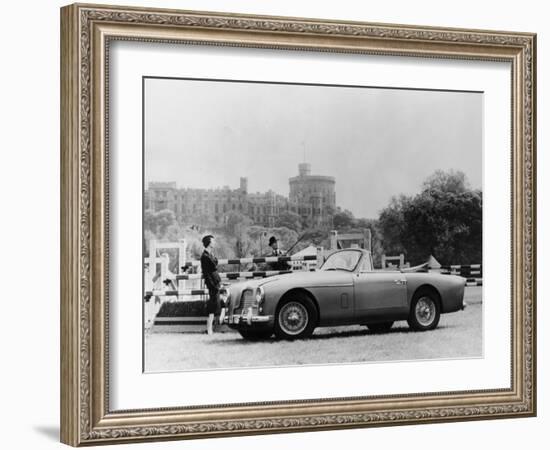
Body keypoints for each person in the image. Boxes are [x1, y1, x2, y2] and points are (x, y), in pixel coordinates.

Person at [200, 234, 222, 335]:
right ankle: (209, 329)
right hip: (212, 283)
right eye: (213, 241)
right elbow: (206, 273)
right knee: (213, 306)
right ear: (209, 243)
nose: (214, 242)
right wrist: (212, 284)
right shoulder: (205, 256)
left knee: (216, 305)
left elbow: (215, 263)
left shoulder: (209, 254)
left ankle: (211, 328)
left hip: (215, 281)